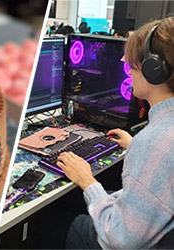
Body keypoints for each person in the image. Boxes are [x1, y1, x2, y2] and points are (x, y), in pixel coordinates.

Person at [58, 17, 174, 249]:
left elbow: (121, 239)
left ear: (154, 70)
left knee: (72, 223)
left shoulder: (155, 140)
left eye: (132, 62)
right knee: (106, 193)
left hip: (126, 240)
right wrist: (135, 146)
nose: (126, 66)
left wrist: (86, 180)